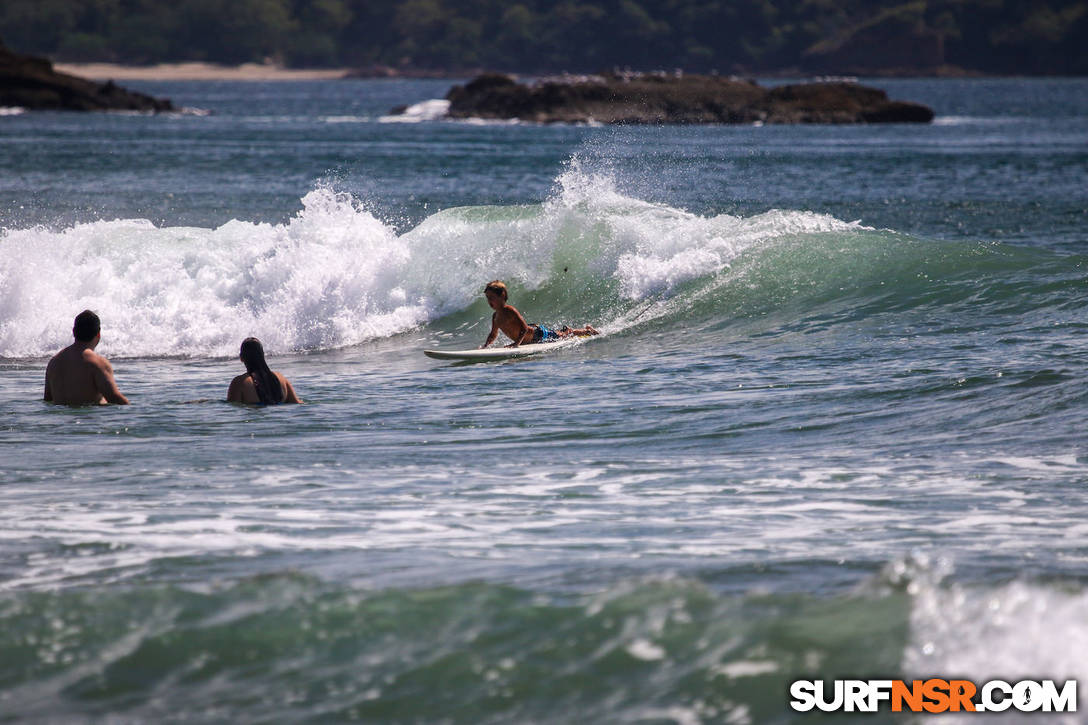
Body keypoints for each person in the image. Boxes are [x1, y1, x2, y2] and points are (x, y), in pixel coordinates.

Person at [44, 310, 129, 405]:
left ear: (74, 331)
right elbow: (114, 398)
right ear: (98, 334)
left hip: (63, 419)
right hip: (90, 419)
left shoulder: (54, 362)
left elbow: (48, 400)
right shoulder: (98, 363)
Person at [479, 280, 598, 348]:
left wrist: (516, 344)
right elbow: (493, 334)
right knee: (561, 334)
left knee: (564, 336)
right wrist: (486, 345)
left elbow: (524, 329)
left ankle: (587, 331)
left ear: (502, 296)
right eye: (488, 298)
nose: (489, 301)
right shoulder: (495, 317)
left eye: (492, 298)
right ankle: (571, 330)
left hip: (538, 335)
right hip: (528, 339)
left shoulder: (510, 311)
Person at [227, 337, 302, 404]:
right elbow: (298, 403)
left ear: (241, 358)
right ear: (263, 355)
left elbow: (232, 409)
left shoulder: (239, 382)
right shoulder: (281, 378)